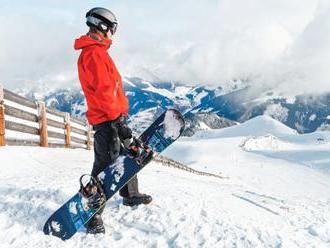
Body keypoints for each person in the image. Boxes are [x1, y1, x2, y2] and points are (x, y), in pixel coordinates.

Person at [74, 7, 152, 234]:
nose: (114, 34)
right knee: (105, 166)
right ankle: (91, 213)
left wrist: (121, 117)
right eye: (113, 28)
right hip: (108, 120)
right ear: (103, 27)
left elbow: (113, 89)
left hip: (114, 117)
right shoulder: (94, 54)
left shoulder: (98, 51)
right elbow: (104, 92)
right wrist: (117, 121)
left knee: (128, 156)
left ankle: (129, 194)